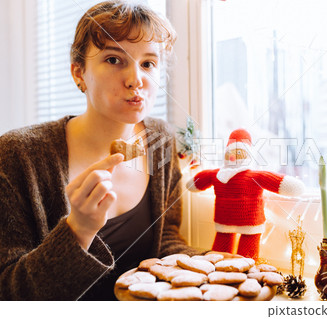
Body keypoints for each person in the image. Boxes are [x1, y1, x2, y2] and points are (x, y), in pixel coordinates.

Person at [0, 0, 200, 300]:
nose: (135, 80)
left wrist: (213, 267)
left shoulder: (161, 139)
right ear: (79, 73)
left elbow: (166, 240)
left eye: (148, 63)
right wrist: (78, 230)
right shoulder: (18, 155)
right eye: (113, 60)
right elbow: (9, 293)